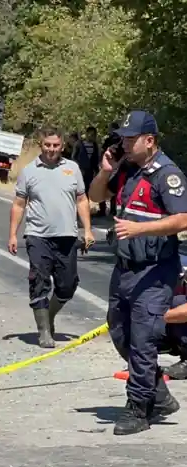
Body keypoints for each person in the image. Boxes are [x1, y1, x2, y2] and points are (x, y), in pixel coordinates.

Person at [87, 110, 187, 435]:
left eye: (131, 139)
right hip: (126, 268)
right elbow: (95, 197)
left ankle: (138, 409)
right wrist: (105, 172)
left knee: (143, 339)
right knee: (120, 333)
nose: (125, 144)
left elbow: (183, 219)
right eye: (124, 139)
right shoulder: (127, 170)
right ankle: (157, 391)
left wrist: (141, 229)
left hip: (156, 270)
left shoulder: (167, 174)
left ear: (150, 140)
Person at [8, 127, 95, 348]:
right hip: (38, 236)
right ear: (41, 145)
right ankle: (44, 331)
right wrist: (12, 235)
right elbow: (19, 204)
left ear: (62, 146)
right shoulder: (29, 171)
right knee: (39, 281)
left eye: (55, 145)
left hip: (67, 236)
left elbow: (82, 200)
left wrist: (87, 230)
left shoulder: (72, 169)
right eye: (47, 145)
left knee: (68, 285)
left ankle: (50, 315)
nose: (51, 149)